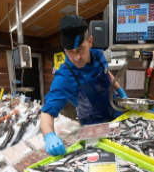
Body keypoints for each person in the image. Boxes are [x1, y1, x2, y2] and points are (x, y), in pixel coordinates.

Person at [40, 14, 128, 156]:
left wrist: (120, 91)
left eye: (80, 49)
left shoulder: (98, 55)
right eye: (70, 52)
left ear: (90, 42)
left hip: (117, 117)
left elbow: (107, 73)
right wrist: (49, 136)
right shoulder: (64, 76)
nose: (76, 58)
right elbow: (46, 113)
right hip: (94, 132)